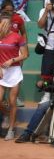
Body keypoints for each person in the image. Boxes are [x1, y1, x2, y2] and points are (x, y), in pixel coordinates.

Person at [0, 13, 28, 141]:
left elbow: (25, 54)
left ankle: (10, 130)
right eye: (2, 23)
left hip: (14, 71)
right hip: (1, 71)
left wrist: (12, 60)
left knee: (12, 101)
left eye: (7, 23)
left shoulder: (17, 37)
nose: (4, 26)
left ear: (11, 24)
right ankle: (7, 114)